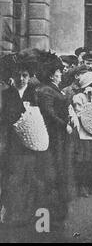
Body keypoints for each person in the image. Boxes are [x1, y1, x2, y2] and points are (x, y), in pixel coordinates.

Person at [0, 58, 44, 226]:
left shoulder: (35, 94)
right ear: (12, 76)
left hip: (31, 142)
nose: (21, 79)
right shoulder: (6, 94)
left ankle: (27, 214)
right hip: (10, 143)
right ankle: (10, 213)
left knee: (29, 177)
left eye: (24, 75)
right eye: (17, 75)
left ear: (30, 76)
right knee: (11, 178)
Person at [36, 53, 76, 224]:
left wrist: (70, 118)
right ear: (52, 74)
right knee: (56, 165)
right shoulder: (46, 90)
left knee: (62, 165)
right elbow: (49, 113)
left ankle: (60, 206)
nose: (62, 73)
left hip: (61, 134)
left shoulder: (54, 87)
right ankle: (53, 210)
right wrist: (64, 125)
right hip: (54, 134)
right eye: (59, 71)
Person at [72, 72, 92, 197]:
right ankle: (82, 186)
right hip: (83, 133)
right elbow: (78, 113)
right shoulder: (79, 97)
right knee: (84, 160)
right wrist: (89, 100)